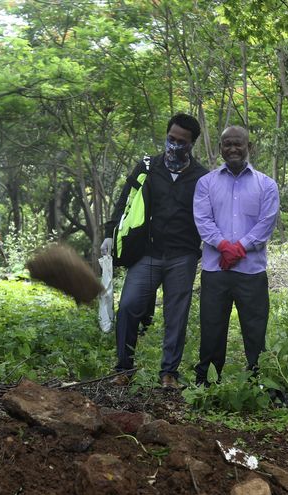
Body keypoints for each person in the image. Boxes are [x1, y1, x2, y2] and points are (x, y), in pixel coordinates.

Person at [102, 113, 209, 389]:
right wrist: (109, 234)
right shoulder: (147, 167)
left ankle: (169, 374)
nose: (174, 146)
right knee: (128, 307)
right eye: (171, 139)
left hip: (183, 255)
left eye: (181, 142)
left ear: (191, 144)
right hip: (147, 253)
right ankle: (124, 368)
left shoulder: (202, 177)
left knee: (176, 314)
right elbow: (125, 199)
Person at [192, 126, 279, 385]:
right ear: (220, 149)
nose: (232, 149)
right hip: (215, 270)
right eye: (227, 144)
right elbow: (203, 219)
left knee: (255, 329)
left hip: (251, 271)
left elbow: (267, 221)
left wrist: (240, 248)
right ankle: (206, 382)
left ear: (249, 147)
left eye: (238, 144)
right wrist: (223, 246)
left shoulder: (266, 184)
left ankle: (258, 381)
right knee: (211, 328)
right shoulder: (206, 183)